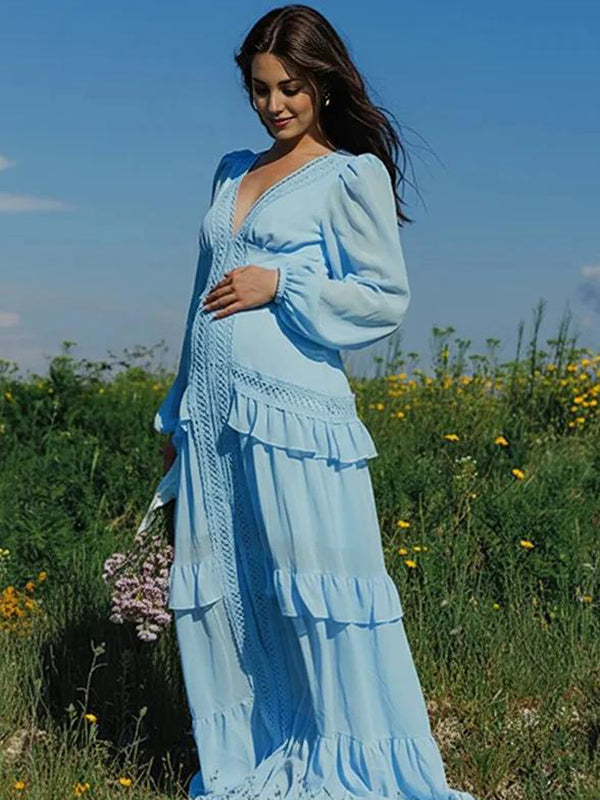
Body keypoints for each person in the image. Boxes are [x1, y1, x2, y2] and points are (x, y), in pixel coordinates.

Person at [148, 4, 477, 799]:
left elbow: (382, 296)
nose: (275, 105)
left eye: (290, 88)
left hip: (294, 417)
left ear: (323, 84)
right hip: (214, 414)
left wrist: (282, 282)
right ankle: (256, 751)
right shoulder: (231, 171)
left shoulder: (349, 175)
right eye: (260, 89)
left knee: (316, 588)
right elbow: (200, 297)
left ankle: (352, 761)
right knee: (233, 590)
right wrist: (176, 412)